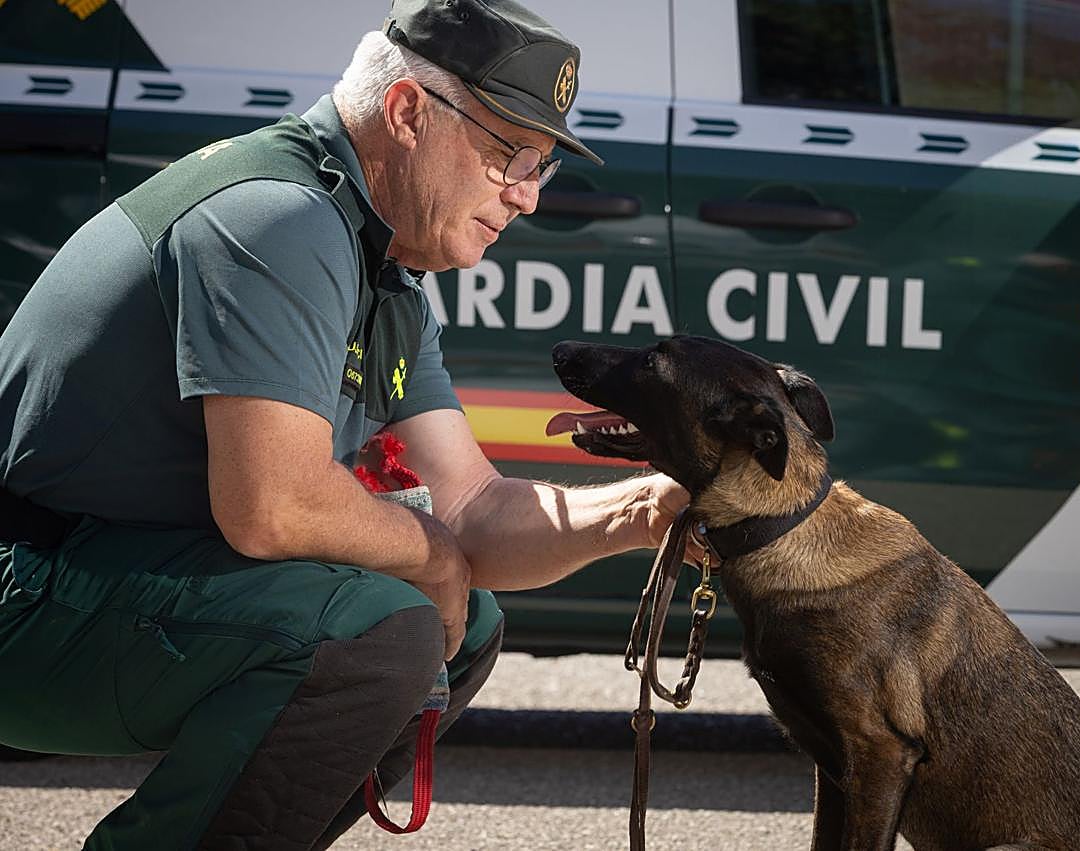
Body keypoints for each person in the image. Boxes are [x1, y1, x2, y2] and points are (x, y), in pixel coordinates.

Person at [0, 1, 690, 847]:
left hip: (89, 583)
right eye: (510, 153)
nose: (525, 196)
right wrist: (432, 551)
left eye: (541, 166)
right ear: (406, 112)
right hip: (26, 586)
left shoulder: (381, 263)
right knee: (384, 632)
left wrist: (647, 510)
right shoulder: (279, 216)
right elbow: (275, 506)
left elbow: (471, 507)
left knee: (457, 623)